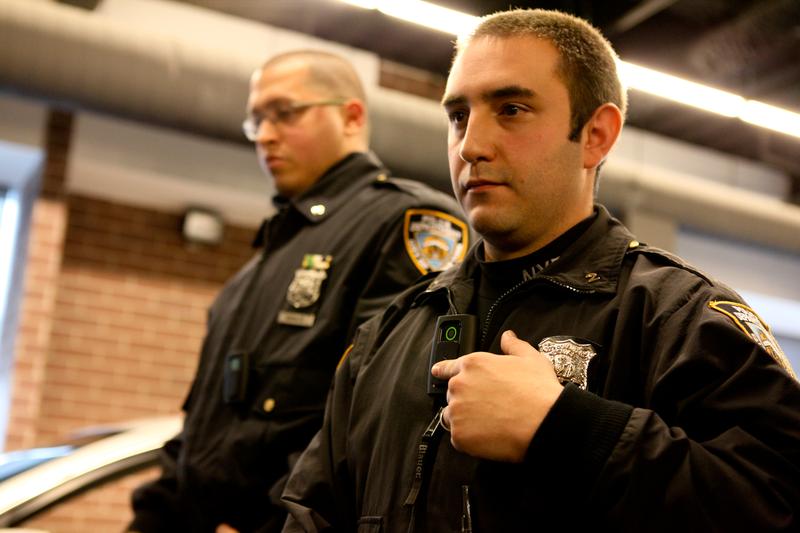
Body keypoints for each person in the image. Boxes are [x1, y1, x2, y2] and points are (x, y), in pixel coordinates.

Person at [281, 9, 800, 532]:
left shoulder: (678, 320)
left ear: (596, 135)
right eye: (459, 115)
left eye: (511, 109)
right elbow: (312, 512)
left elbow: (775, 497)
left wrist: (566, 429)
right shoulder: (386, 336)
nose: (470, 147)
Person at [128, 50, 469, 533]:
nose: (265, 134)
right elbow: (201, 436)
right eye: (256, 121)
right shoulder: (244, 283)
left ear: (351, 116)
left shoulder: (405, 225)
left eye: (285, 113)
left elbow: (379, 422)